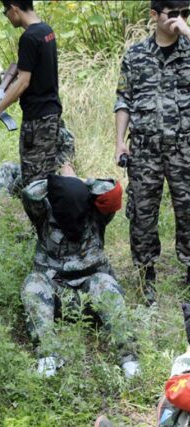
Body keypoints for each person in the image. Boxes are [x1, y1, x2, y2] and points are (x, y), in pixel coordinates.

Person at [20, 174, 139, 378]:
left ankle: (129, 359)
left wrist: (83, 184)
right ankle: (48, 356)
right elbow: (30, 193)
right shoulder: (43, 214)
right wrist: (57, 183)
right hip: (54, 295)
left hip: (92, 295)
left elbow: (113, 191)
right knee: (32, 284)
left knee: (105, 284)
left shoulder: (96, 213)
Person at [114, 0, 190, 297]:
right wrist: (120, 141)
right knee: (143, 214)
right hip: (145, 150)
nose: (179, 20)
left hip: (184, 147)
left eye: (186, 14)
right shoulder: (136, 55)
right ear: (154, 15)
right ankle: (146, 275)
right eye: (173, 15)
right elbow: (124, 99)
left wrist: (186, 31)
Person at [0, 0, 74, 188]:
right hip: (52, 114)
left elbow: (23, 81)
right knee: (47, 177)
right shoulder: (47, 31)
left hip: (37, 121)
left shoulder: (29, 38)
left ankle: (44, 217)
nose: (6, 15)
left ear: (15, 8)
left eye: (5, 11)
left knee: (34, 186)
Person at [0, 124, 76, 197]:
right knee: (7, 167)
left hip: (50, 177)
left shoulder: (65, 136)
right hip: (32, 172)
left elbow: (64, 164)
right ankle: (2, 197)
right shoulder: (35, 130)